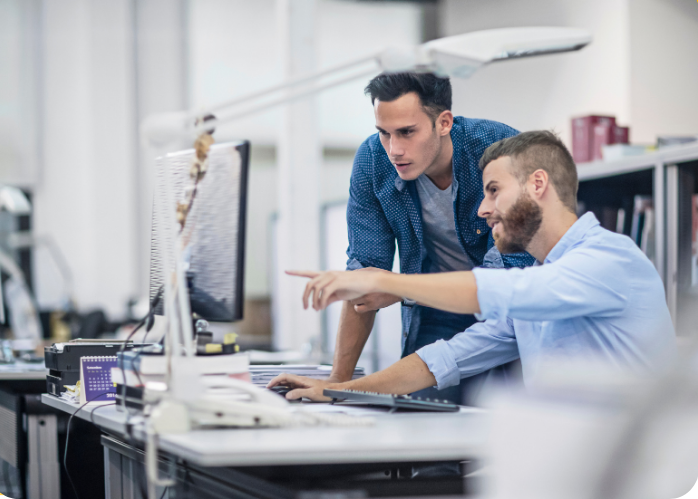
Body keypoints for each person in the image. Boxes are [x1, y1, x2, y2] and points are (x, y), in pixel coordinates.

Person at [270, 131, 677, 401]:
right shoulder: (542, 280)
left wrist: (384, 280)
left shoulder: (610, 260)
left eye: (494, 191)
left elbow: (500, 290)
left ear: (538, 185)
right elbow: (447, 358)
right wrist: (341, 390)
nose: (483, 209)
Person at [331, 72, 533, 404]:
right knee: (422, 413)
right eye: (384, 133)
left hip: (511, 307)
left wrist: (398, 288)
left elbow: (505, 283)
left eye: (407, 132)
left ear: (443, 122)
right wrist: (336, 385)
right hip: (432, 306)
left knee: (509, 417)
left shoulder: (500, 151)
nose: (394, 150)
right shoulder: (372, 160)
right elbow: (365, 276)